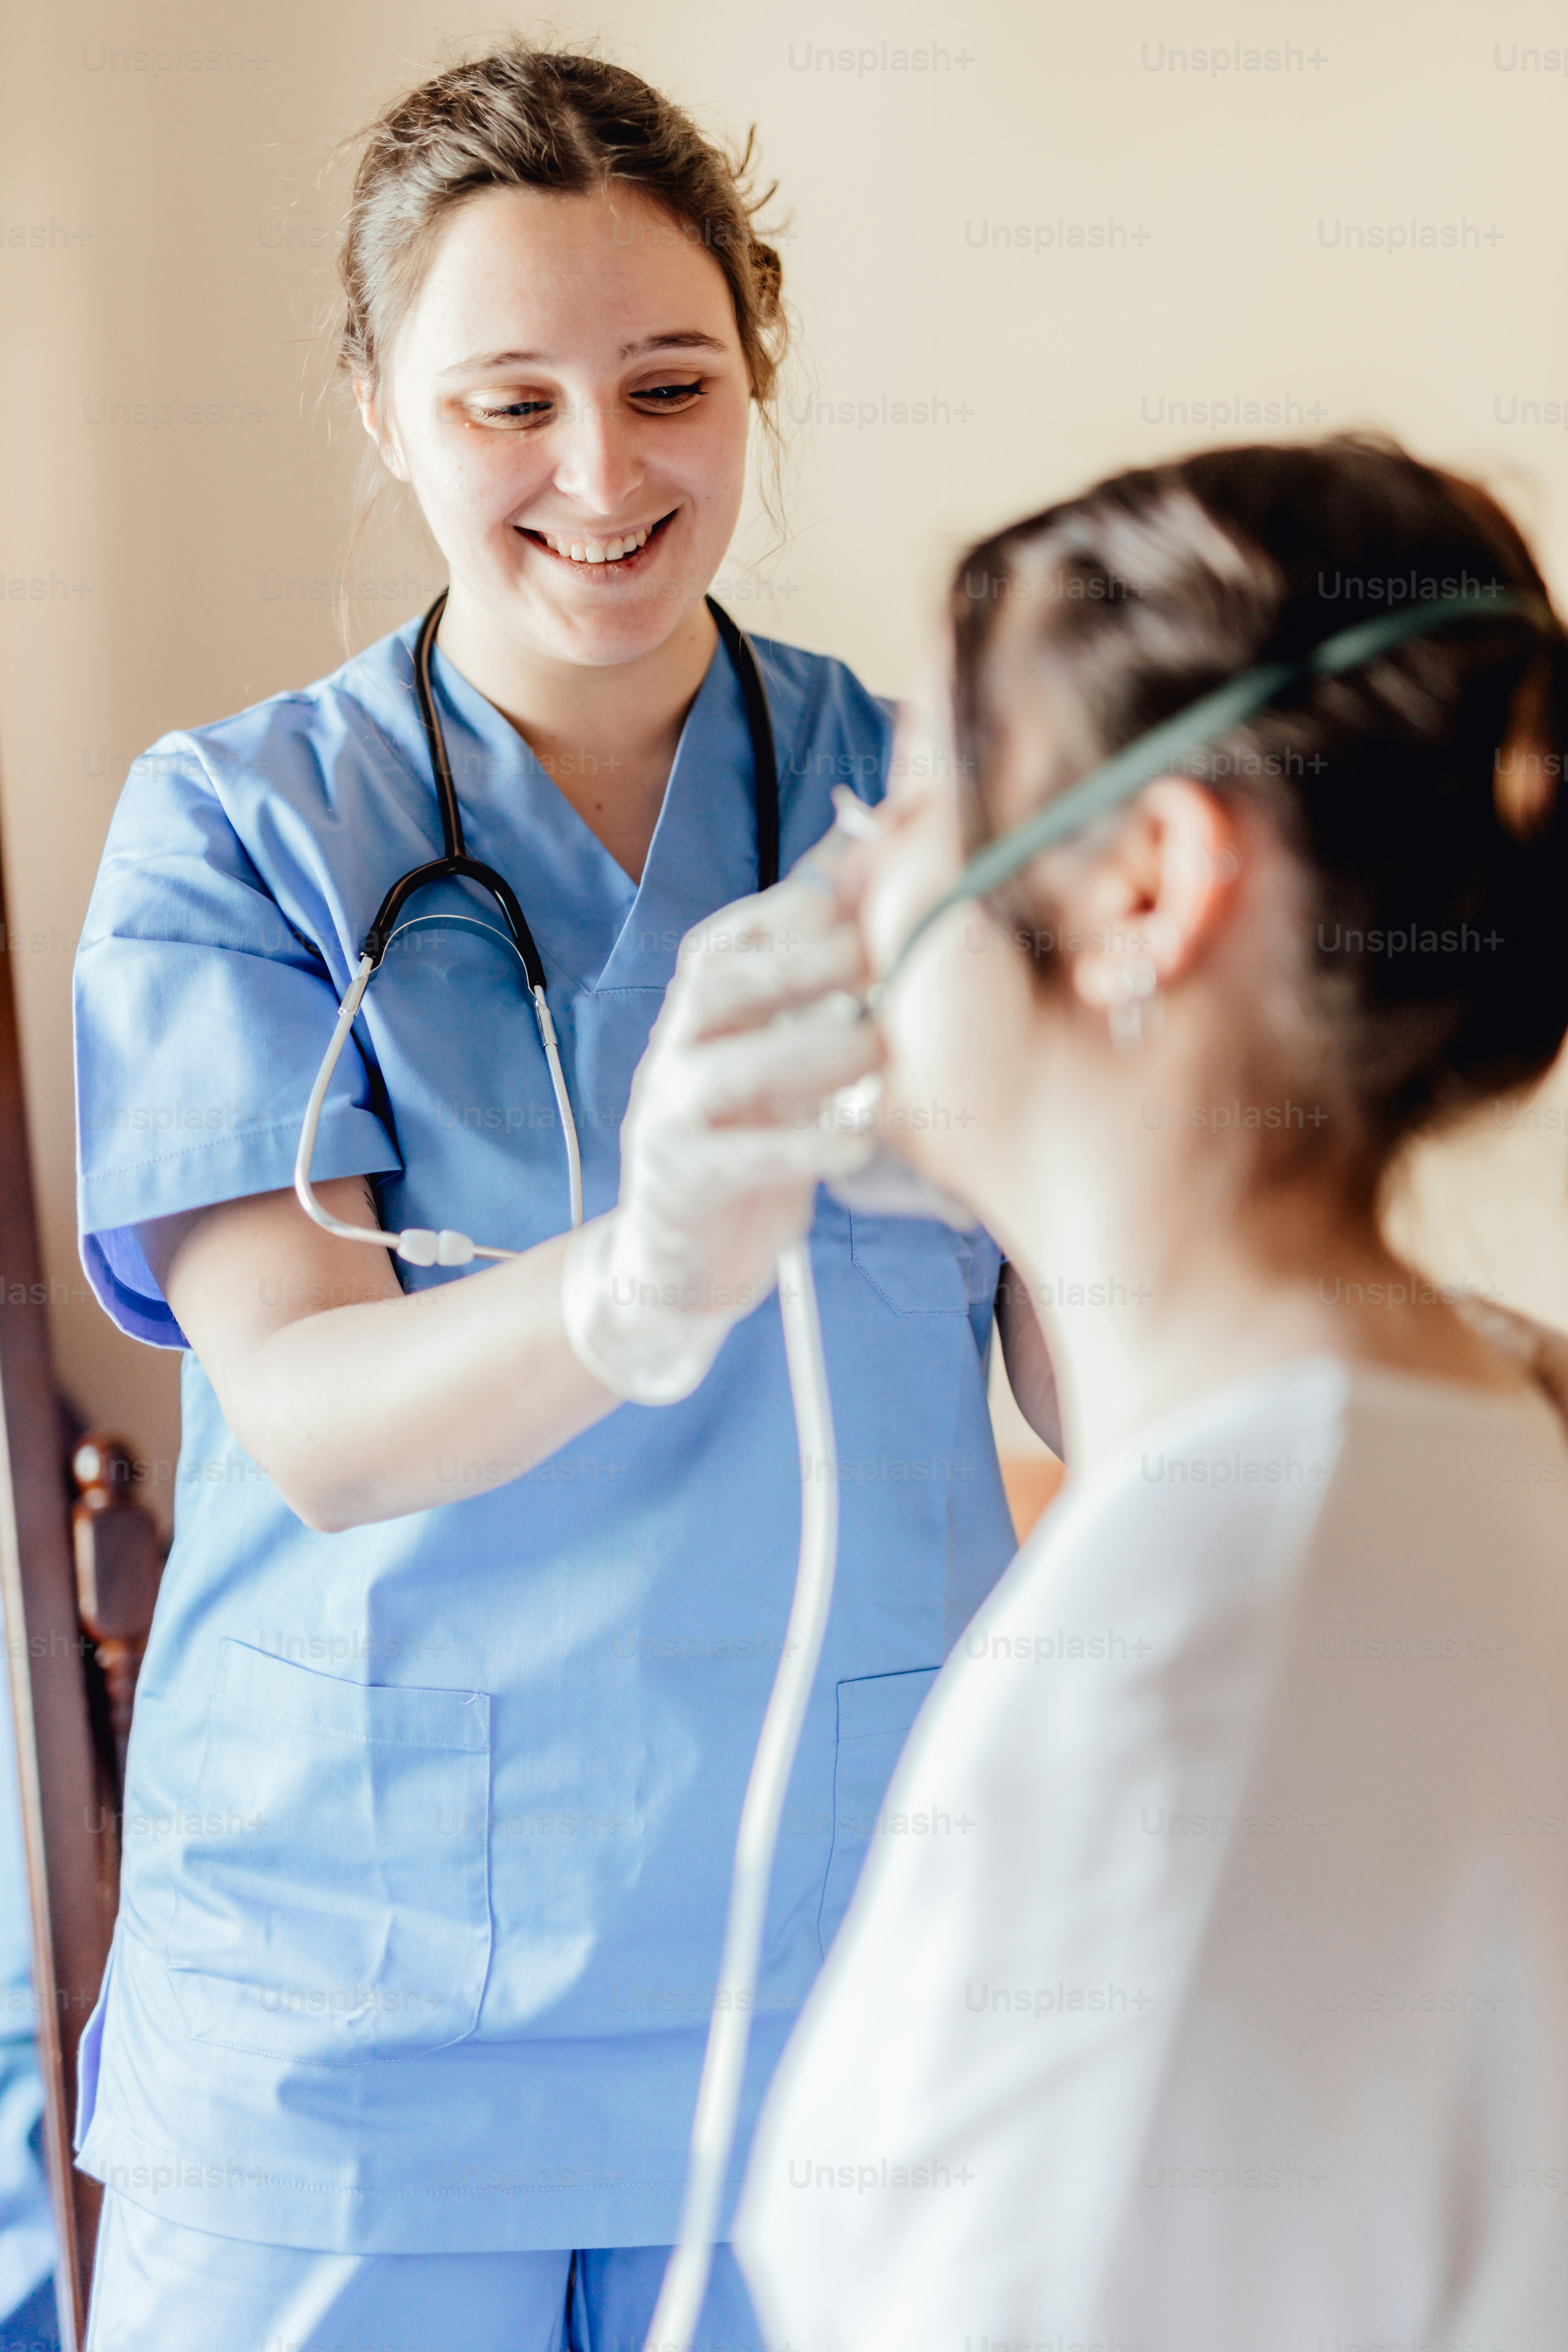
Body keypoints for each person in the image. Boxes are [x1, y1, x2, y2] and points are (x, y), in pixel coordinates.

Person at [69, 43, 1051, 2348]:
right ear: (384, 407)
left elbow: (1095, 1361)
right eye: (507, 402)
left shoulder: (938, 811)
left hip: (833, 1973)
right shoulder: (235, 831)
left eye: (667, 383)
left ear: (758, 364)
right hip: (353, 2006)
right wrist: (644, 1273)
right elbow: (308, 1412)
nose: (601, 475)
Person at [736, 436, 1568, 2351]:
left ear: (1140, 886)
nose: (860, 873)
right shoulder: (1456, 1445)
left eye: (929, 788)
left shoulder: (1186, 1699)